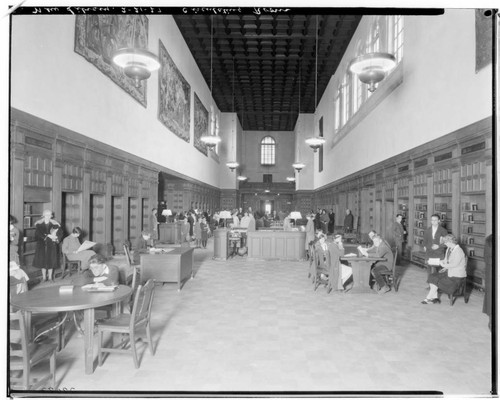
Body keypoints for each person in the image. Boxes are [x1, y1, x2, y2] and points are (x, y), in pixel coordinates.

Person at [422, 234, 466, 304]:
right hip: (449, 271)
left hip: (456, 275)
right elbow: (445, 260)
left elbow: (455, 264)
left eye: (445, 242)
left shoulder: (458, 251)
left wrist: (443, 265)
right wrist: (438, 262)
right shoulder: (449, 249)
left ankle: (428, 298)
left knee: (437, 280)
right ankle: (435, 298)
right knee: (432, 276)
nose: (445, 244)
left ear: (450, 242)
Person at [33, 209, 63, 282]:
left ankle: (50, 277)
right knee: (42, 262)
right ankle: (44, 278)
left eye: (49, 215)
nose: (48, 216)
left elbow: (60, 233)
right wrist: (47, 236)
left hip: (51, 245)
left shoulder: (55, 224)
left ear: (51, 216)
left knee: (51, 261)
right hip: (42, 245)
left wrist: (56, 238)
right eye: (46, 215)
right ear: (43, 215)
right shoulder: (39, 224)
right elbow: (37, 234)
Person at [423, 214, 448, 281]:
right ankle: (430, 285)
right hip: (429, 253)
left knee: (438, 271)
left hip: (439, 253)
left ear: (439, 221)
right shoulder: (427, 230)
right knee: (429, 270)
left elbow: (447, 243)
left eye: (435, 220)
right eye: (432, 220)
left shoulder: (443, 230)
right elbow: (425, 241)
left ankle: (438, 286)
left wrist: (438, 246)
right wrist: (425, 246)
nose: (433, 222)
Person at [483, 234, 493, 330]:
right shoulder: (490, 239)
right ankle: (491, 322)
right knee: (491, 298)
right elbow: (487, 258)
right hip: (492, 273)